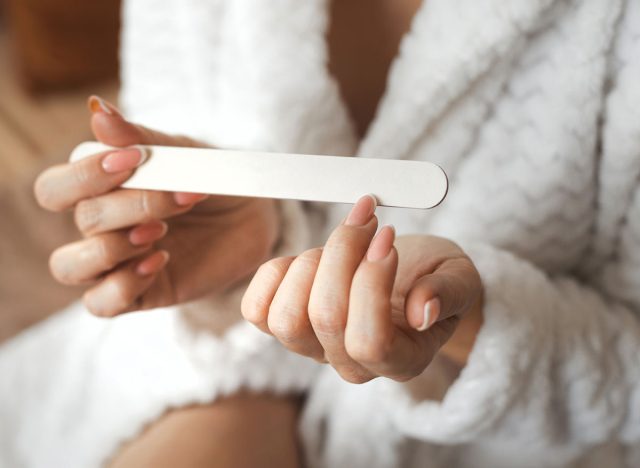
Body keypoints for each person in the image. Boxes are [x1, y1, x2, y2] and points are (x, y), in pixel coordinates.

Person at [1, 0, 639, 467]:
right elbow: (171, 166)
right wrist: (248, 238)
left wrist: (471, 322)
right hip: (214, 353)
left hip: (506, 430)